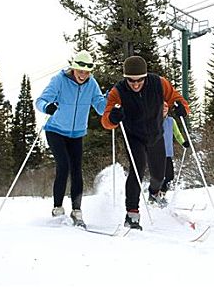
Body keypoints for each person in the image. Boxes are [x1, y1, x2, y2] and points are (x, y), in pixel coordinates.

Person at [101, 56, 190, 230]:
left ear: (145, 76)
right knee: (137, 169)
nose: (135, 85)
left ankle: (154, 192)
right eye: (131, 81)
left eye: (139, 80)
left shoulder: (159, 83)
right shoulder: (118, 92)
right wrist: (113, 117)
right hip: (134, 137)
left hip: (155, 134)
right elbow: (106, 120)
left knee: (159, 175)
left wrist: (181, 107)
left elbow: (177, 98)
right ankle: (132, 214)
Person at [35, 50, 107, 228]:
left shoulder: (92, 84)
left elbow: (100, 107)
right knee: (64, 166)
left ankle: (77, 210)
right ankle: (58, 208)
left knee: (76, 170)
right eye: (79, 71)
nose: (83, 75)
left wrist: (111, 102)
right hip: (56, 130)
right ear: (73, 68)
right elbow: (41, 100)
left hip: (76, 133)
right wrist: (48, 107)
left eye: (86, 72)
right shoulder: (60, 80)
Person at [160, 101, 190, 196]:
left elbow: (177, 134)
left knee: (169, 176)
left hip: (168, 153)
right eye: (162, 106)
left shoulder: (171, 121)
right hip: (156, 153)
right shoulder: (154, 120)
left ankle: (162, 193)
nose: (164, 108)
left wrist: (183, 142)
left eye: (166, 106)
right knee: (158, 177)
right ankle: (154, 195)